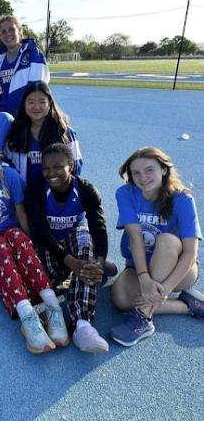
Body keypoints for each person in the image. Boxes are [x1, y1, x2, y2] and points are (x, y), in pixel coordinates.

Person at [0, 135, 68, 354]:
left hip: (9, 231)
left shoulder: (10, 175)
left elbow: (20, 212)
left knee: (17, 237)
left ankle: (52, 306)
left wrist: (28, 243)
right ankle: (27, 314)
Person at [110, 147, 203, 347]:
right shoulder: (125, 193)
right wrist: (144, 277)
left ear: (163, 169)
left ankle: (143, 318)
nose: (142, 177)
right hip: (138, 266)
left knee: (167, 241)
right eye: (136, 173)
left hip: (179, 271)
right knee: (120, 299)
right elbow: (135, 238)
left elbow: (190, 252)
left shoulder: (183, 199)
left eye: (149, 170)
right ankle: (186, 306)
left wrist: (163, 291)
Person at [25, 144, 109, 353]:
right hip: (50, 244)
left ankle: (82, 324)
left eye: (57, 166)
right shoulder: (36, 190)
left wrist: (98, 261)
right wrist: (72, 263)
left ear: (71, 166)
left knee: (84, 238)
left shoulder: (86, 190)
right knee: (50, 278)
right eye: (46, 168)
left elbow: (98, 229)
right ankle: (83, 273)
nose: (51, 173)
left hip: (74, 241)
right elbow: (43, 233)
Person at [5, 82, 82, 186]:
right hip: (26, 194)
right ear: (24, 104)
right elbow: (8, 166)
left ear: (50, 103)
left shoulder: (65, 132)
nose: (36, 107)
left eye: (42, 102)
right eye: (31, 102)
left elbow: (76, 167)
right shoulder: (15, 132)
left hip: (56, 194)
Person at [0, 15, 49, 117]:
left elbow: (39, 89)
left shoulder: (33, 53)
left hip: (26, 118)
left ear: (19, 30)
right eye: (4, 31)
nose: (8, 34)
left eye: (11, 29)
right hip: (3, 117)